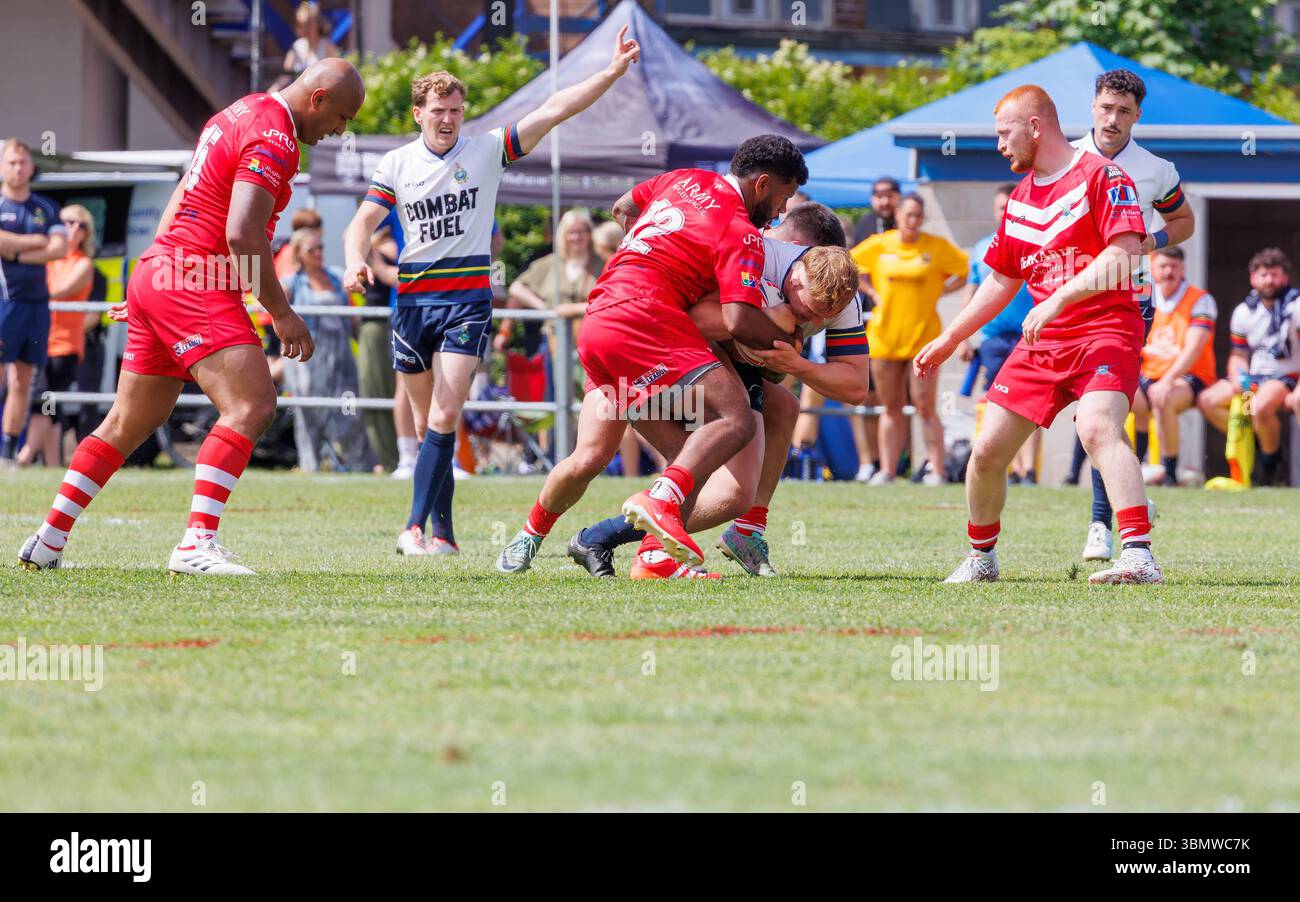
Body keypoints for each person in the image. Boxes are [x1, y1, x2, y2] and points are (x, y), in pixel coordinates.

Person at [19, 59, 366, 574]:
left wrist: (151, 280)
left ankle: (49, 539)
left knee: (127, 422)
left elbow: (185, 193)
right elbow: (242, 234)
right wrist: (283, 312)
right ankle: (195, 544)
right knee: (252, 404)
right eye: (342, 116)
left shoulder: (239, 110)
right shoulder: (276, 135)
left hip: (164, 271)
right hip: (195, 277)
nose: (340, 130)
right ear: (317, 99)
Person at [342, 27, 641, 558]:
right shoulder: (397, 163)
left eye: (455, 110)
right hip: (411, 305)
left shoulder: (485, 151)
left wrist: (611, 72)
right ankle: (447, 537)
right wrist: (352, 262)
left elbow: (553, 109)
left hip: (466, 302)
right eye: (438, 110)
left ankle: (411, 528)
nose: (447, 119)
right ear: (418, 114)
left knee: (443, 416)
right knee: (424, 423)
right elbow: (360, 224)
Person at [495, 135, 807, 578]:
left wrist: (649, 256)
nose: (780, 212)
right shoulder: (741, 230)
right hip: (644, 322)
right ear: (761, 185)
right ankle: (657, 505)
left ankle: (537, 540)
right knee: (734, 417)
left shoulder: (686, 178)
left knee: (616, 456)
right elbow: (738, 320)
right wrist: (786, 344)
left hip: (600, 315)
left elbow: (623, 207)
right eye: (783, 197)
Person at [914, 84, 1161, 585]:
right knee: (985, 453)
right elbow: (1000, 283)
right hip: (1044, 339)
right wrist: (948, 338)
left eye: (1005, 134)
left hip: (1106, 327)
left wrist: (1057, 298)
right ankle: (982, 558)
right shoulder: (1021, 200)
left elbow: (1126, 252)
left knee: (1096, 428)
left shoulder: (1102, 176)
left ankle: (1138, 556)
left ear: (1034, 126)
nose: (1000, 145)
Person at [565, 202, 864, 579]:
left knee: (782, 409)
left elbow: (856, 386)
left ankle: (745, 530)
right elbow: (695, 317)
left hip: (694, 357)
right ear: (801, 264)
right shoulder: (753, 251)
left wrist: (797, 365)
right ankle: (614, 543)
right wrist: (765, 327)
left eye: (825, 316)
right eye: (811, 311)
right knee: (594, 457)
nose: (816, 323)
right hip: (657, 348)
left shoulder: (840, 295)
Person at [1072, 68, 1195, 560]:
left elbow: (1183, 221)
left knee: (1102, 414)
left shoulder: (1155, 169)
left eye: (1124, 111)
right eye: (1107, 107)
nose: (1114, 118)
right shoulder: (1067, 160)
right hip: (1069, 303)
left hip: (1127, 305)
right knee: (1087, 417)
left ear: (1137, 115)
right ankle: (1129, 499)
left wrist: (1151, 241)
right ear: (1093, 106)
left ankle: (1101, 522)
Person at [853, 194, 967, 485]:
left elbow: (966, 270)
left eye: (918, 215)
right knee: (889, 406)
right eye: (908, 215)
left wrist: (942, 290)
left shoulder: (936, 247)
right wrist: (871, 292)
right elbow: (849, 264)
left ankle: (937, 470)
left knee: (925, 406)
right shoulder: (881, 244)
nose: (913, 221)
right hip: (885, 336)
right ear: (899, 215)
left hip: (923, 338)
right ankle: (887, 471)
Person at [495, 207, 603, 464]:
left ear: (590, 234)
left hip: (593, 344)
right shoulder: (550, 264)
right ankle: (560, 458)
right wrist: (544, 307)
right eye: (572, 232)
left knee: (596, 401)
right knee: (557, 402)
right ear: (563, 235)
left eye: (582, 232)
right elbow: (518, 287)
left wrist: (572, 310)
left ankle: (594, 458)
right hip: (556, 344)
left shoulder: (601, 263)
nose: (577, 237)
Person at [960, 184, 1040, 484]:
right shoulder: (982, 247)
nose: (1005, 212)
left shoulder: (1036, 242)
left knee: (1030, 403)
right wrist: (963, 337)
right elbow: (970, 293)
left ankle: (1029, 470)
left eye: (1010, 206)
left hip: (1029, 335)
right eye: (1000, 207)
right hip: (993, 339)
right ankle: (1013, 468)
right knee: (1000, 402)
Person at [1198, 248, 1299, 486]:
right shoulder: (1245, 311)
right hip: (1255, 375)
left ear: (1285, 277)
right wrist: (1238, 376)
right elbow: (1238, 354)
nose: (1269, 280)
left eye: (1275, 275)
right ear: (1252, 278)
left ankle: (1270, 468)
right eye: (1263, 275)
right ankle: (1259, 438)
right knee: (1207, 401)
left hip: (1285, 374)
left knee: (1260, 406)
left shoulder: (1294, 306)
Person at [280, 227, 376, 473]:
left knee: (350, 412)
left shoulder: (335, 277)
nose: (319, 253)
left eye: (320, 248)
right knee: (309, 416)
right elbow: (276, 314)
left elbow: (352, 317)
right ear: (299, 253)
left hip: (341, 355)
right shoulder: (291, 284)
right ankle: (310, 466)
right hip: (309, 358)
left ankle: (361, 467)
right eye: (312, 250)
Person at [1, 138, 68, 469]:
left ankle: (7, 452)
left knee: (22, 381)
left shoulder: (46, 207)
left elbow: (58, 249)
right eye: (12, 162)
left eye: (23, 162)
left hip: (37, 304)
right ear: (2, 166)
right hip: (4, 301)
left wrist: (14, 249)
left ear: (31, 166)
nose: (18, 168)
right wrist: (34, 244)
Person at [18, 205, 97, 466]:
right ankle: (53, 463)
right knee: (51, 402)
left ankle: (24, 456)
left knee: (43, 398)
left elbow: (57, 290)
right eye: (67, 222)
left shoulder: (83, 264)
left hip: (64, 346)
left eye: (80, 225)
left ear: (87, 233)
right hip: (40, 340)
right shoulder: (50, 258)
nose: (72, 228)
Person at [1131, 246, 1216, 486]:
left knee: (1163, 398)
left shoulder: (1200, 299)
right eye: (1163, 266)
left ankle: (1169, 473)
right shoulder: (1145, 294)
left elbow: (1193, 350)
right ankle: (1134, 466)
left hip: (1189, 376)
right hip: (1149, 374)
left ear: (1183, 269)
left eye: (1174, 267)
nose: (1168, 272)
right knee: (1117, 397)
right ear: (1154, 267)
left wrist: (1167, 380)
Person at [357, 226, 400, 472]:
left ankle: (394, 457)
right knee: (374, 391)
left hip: (384, 326)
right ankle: (387, 457)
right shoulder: (375, 247)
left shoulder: (390, 247)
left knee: (384, 392)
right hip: (374, 326)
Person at [280, 2, 338, 83]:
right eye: (303, 25)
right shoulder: (296, 46)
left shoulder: (327, 46)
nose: (306, 29)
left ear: (317, 23)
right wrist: (272, 92)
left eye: (309, 24)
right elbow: (285, 76)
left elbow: (335, 75)